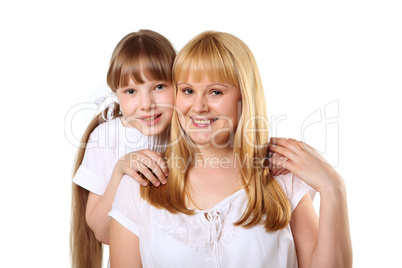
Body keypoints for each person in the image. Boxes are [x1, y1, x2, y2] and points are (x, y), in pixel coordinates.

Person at [109, 31, 353, 267]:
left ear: (244, 97)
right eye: (188, 91)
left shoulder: (283, 179)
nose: (199, 106)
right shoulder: (140, 185)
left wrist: (334, 189)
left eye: (215, 92)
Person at [70, 29, 176, 268]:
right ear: (115, 94)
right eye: (131, 91)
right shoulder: (106, 137)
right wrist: (120, 171)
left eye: (159, 86)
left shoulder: (191, 132)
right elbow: (102, 232)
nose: (147, 104)